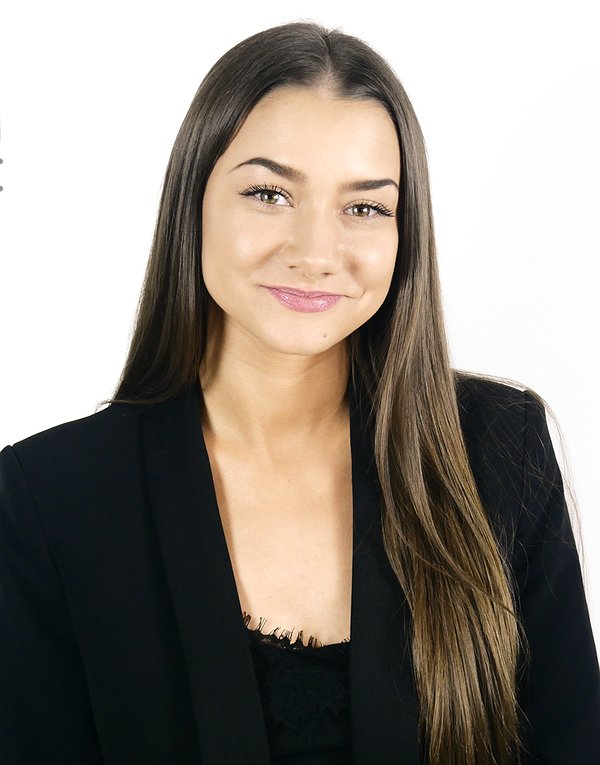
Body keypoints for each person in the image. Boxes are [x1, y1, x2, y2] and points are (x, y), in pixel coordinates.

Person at [1, 20, 598, 765]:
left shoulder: (500, 449)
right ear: (193, 202)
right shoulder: (49, 499)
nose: (315, 253)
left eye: (365, 207)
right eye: (269, 193)